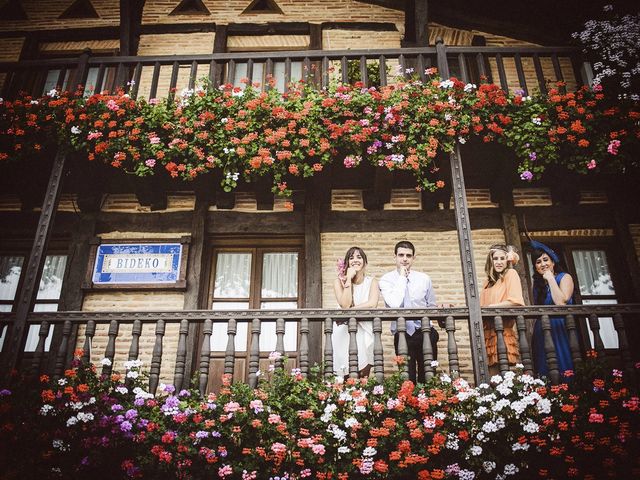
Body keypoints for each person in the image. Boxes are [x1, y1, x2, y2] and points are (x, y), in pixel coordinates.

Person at [379, 241, 438, 384]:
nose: (404, 259)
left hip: (424, 333)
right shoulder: (386, 279)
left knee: (428, 377)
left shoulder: (424, 279)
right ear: (395, 257)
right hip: (403, 335)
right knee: (407, 379)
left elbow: (431, 306)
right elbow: (394, 304)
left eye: (408, 255)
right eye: (401, 255)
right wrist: (401, 277)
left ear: (413, 258)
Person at [332, 246, 379, 378]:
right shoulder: (338, 282)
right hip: (344, 332)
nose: (355, 260)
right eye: (351, 258)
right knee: (344, 371)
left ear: (365, 262)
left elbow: (372, 303)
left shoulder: (372, 282)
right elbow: (345, 304)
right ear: (347, 263)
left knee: (363, 373)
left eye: (359, 257)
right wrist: (348, 279)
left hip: (364, 328)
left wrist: (350, 312)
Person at [530, 241, 575, 377]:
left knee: (562, 363)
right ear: (535, 267)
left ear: (553, 262)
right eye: (538, 262)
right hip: (542, 328)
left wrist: (550, 279)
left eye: (545, 260)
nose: (543, 264)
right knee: (544, 366)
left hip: (560, 326)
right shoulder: (538, 286)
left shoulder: (565, 277)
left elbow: (561, 302)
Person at [479, 244, 525, 376]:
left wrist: (491, 308)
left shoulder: (511, 274)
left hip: (502, 329)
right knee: (492, 376)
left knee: (505, 373)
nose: (499, 262)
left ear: (507, 260)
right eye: (495, 259)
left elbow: (515, 301)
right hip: (488, 332)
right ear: (491, 261)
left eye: (502, 258)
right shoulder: (487, 282)